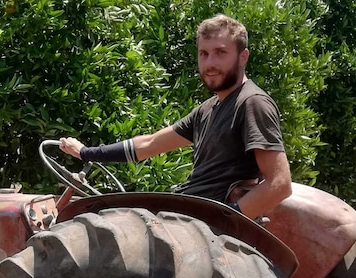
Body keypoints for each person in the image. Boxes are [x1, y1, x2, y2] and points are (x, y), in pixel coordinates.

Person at [59, 13, 292, 219]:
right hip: (188, 208)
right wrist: (86, 153)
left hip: (203, 220)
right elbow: (149, 144)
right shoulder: (207, 109)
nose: (210, 63)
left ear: (243, 57)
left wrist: (227, 221)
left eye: (220, 53)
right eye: (204, 53)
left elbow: (279, 184)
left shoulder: (252, 103)